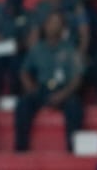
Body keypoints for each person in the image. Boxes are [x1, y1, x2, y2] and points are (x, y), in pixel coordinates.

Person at [14, 11, 85, 152]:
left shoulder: (70, 50)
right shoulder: (37, 49)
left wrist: (63, 94)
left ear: (63, 28)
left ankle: (73, 149)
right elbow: (24, 71)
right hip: (41, 89)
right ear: (45, 26)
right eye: (51, 23)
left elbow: (77, 78)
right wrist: (29, 86)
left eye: (57, 24)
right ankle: (21, 149)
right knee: (23, 104)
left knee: (75, 107)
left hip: (63, 90)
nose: (53, 27)